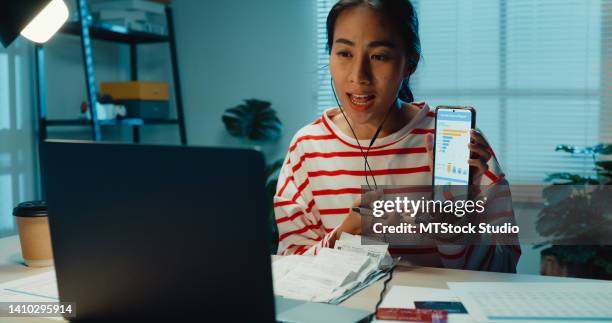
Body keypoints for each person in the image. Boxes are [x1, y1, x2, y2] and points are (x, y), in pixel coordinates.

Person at [274, 0, 520, 272]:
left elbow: (504, 270)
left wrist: (455, 226)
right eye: (344, 53)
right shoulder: (307, 148)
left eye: (379, 56)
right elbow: (289, 266)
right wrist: (346, 233)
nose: (358, 76)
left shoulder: (462, 150)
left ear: (409, 64)